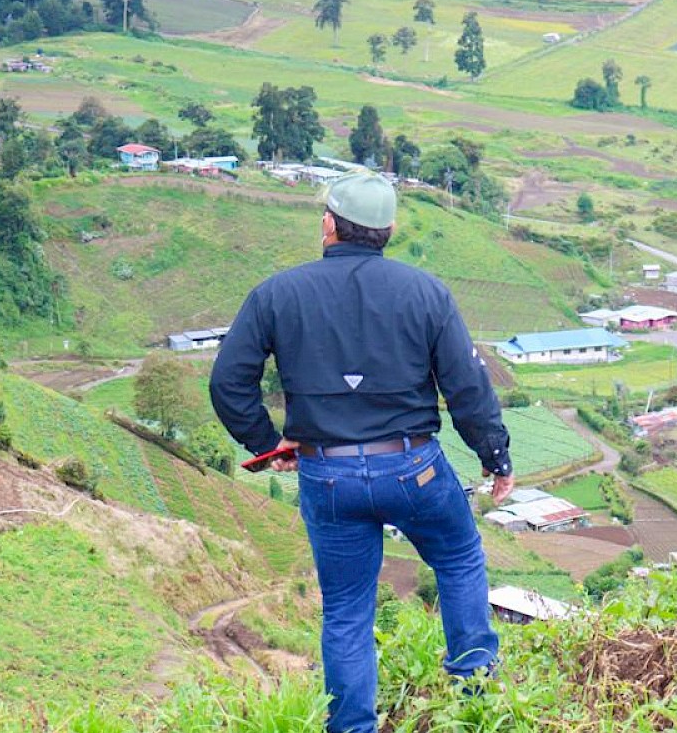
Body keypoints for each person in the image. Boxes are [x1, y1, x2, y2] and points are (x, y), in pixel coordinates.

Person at [210, 168, 515, 733]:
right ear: (389, 229)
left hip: (328, 476)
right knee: (458, 556)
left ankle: (351, 726)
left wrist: (267, 445)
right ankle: (474, 689)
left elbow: (228, 383)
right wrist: (494, 456)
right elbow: (467, 388)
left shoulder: (277, 293)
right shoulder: (426, 291)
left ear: (329, 225)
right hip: (413, 469)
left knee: (347, 611)